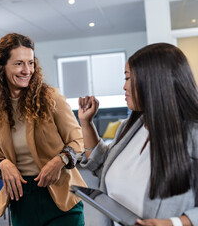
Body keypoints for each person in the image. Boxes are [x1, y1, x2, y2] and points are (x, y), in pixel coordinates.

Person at [78, 43, 198, 226]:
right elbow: (102, 167)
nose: (124, 87)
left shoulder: (193, 135)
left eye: (128, 78)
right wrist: (86, 123)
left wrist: (175, 223)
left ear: (154, 82)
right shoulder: (131, 126)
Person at [0, 33, 86, 226]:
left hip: (61, 196)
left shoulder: (51, 98)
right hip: (22, 199)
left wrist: (60, 159)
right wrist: (3, 164)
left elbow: (78, 141)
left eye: (30, 63)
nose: (27, 70)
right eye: (19, 64)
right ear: (2, 67)